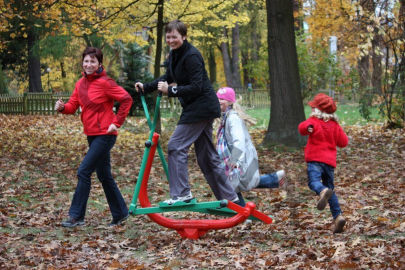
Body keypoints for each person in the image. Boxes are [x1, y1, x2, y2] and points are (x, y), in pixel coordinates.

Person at [135, 20, 238, 205]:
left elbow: (196, 86)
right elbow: (167, 78)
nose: (171, 40)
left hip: (201, 107)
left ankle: (182, 194)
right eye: (168, 37)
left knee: (175, 146)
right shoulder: (174, 55)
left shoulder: (192, 56)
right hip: (197, 108)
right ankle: (231, 199)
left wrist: (172, 91)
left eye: (174, 37)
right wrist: (146, 87)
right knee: (206, 157)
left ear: (183, 36)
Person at [55, 47, 133, 227]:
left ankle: (76, 216)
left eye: (92, 61)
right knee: (104, 175)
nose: (88, 64)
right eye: (86, 61)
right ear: (82, 62)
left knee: (83, 171)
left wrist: (117, 122)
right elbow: (72, 106)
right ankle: (121, 213)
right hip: (91, 135)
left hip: (105, 134)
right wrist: (61, 107)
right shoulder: (80, 83)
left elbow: (127, 99)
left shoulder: (106, 83)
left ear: (99, 64)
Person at [215, 87, 286, 207]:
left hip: (241, 156)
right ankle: (277, 178)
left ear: (230, 102)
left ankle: (243, 215)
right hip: (236, 156)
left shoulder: (233, 118)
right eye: (217, 98)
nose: (219, 101)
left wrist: (235, 159)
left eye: (222, 99)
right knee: (236, 185)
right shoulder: (226, 117)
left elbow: (239, 140)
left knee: (235, 185)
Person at [298, 93, 349, 233]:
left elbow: (302, 128)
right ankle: (338, 217)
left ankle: (322, 191)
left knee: (313, 182)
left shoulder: (313, 122)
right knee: (331, 190)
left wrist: (308, 127)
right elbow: (344, 142)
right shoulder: (335, 125)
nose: (312, 110)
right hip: (329, 163)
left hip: (315, 160)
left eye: (313, 107)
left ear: (318, 110)